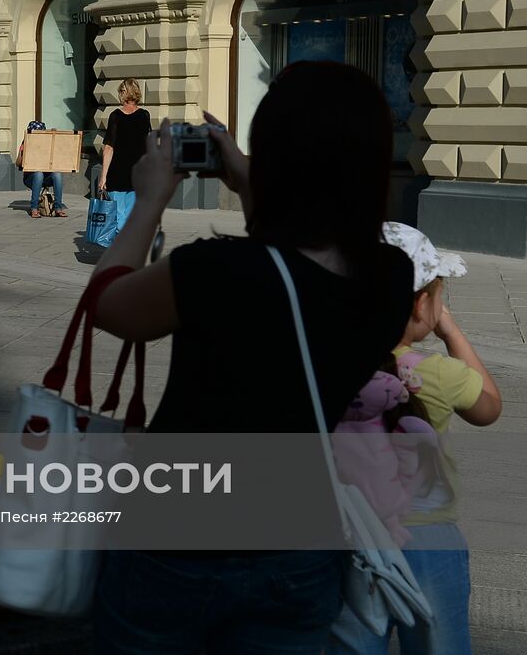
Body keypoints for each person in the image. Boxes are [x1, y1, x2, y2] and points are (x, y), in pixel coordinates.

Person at [87, 62, 415, 654]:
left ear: (275, 159)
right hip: (301, 550)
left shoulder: (218, 270)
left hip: (175, 544)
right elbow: (293, 267)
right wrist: (245, 180)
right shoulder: (392, 277)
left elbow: (109, 304)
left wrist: (150, 200)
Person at [327, 222, 502, 655]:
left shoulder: (327, 368)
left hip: (349, 537)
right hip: (428, 542)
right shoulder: (439, 374)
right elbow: (489, 408)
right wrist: (450, 332)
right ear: (423, 305)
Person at [98, 78, 150, 236]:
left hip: (117, 173)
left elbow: (109, 148)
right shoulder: (144, 115)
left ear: (122, 93)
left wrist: (103, 176)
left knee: (118, 216)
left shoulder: (116, 116)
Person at [16, 119, 67, 218]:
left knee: (57, 175)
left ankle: (58, 208)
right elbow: (17, 163)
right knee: (38, 174)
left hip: (46, 176)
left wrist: (55, 138)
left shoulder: (47, 143)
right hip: (31, 177)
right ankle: (34, 208)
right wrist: (23, 154)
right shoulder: (26, 142)